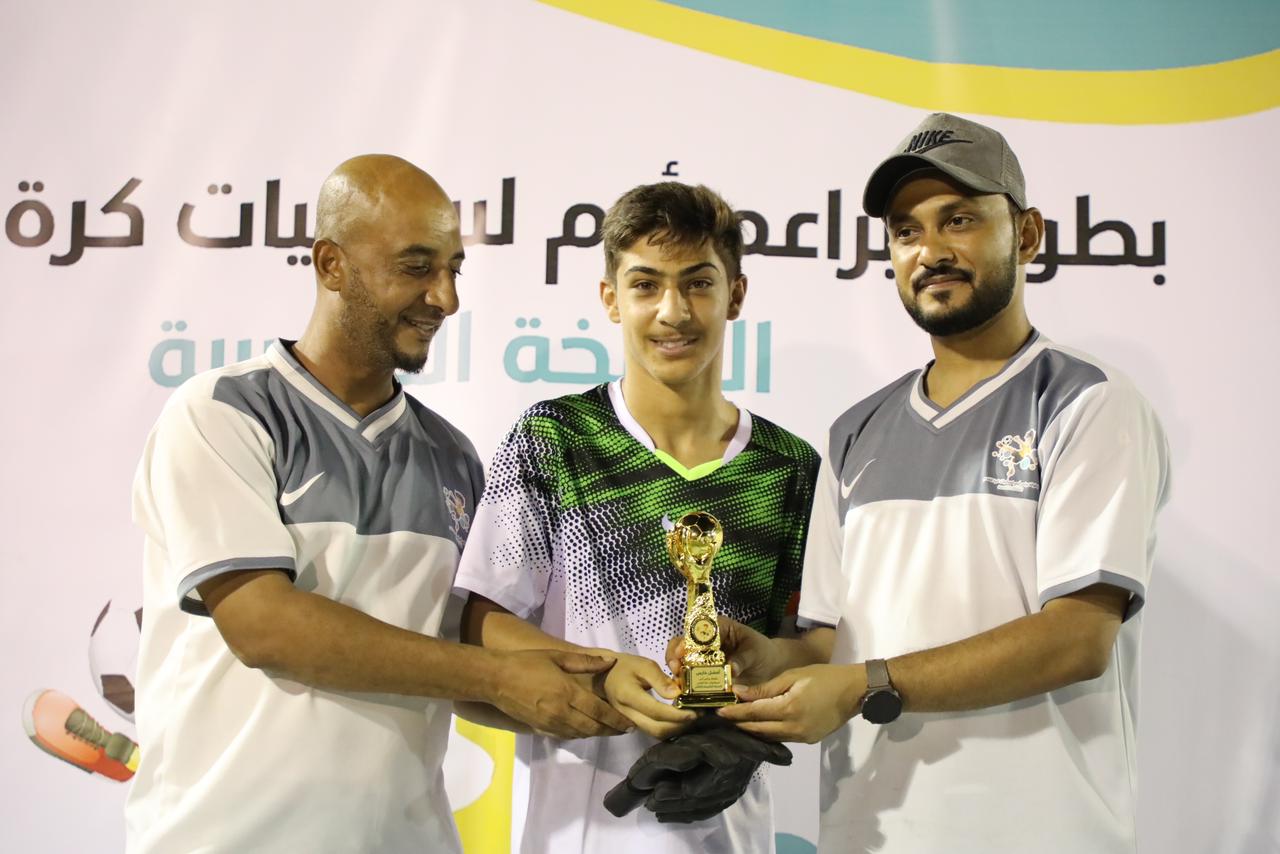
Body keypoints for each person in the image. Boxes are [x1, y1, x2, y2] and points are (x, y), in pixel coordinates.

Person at [125, 154, 632, 854]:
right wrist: (496, 675)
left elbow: (456, 654)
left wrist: (627, 695)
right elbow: (264, 626)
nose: (445, 298)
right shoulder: (222, 413)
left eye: (453, 270)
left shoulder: (452, 455)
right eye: (417, 267)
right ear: (331, 264)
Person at [710, 113, 1171, 853]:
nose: (930, 251)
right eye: (906, 231)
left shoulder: (1087, 401)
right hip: (868, 830)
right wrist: (765, 660)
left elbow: (1077, 639)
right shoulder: (854, 431)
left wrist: (866, 684)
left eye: (958, 220)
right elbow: (831, 643)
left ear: (1027, 235)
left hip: (1039, 834)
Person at [454, 182, 820, 853]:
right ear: (610, 298)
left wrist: (760, 677)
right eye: (646, 285)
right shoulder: (554, 437)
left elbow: (814, 649)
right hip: (576, 830)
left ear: (736, 294)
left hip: (730, 831)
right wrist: (602, 671)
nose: (672, 311)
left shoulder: (790, 466)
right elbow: (481, 623)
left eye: (698, 283)